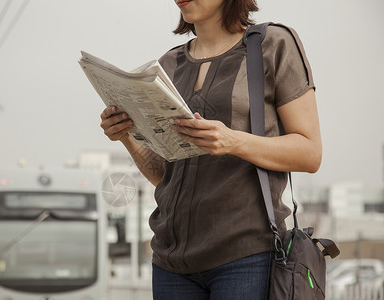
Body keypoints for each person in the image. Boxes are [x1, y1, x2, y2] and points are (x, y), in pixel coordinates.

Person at [99, 0, 321, 299]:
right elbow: (164, 176)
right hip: (170, 262)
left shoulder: (272, 45)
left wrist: (233, 141)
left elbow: (310, 152)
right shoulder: (168, 65)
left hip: (247, 257)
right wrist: (126, 135)